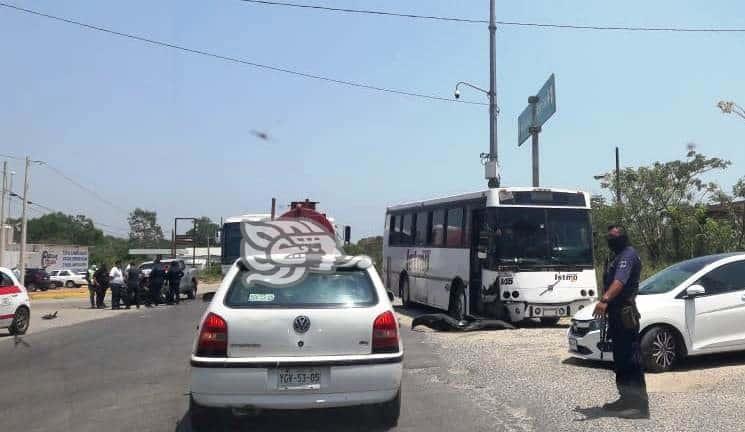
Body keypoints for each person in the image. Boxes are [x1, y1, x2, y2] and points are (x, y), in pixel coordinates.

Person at [593, 225, 649, 419]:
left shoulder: (628, 255)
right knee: (621, 358)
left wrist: (605, 300)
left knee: (631, 358)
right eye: (608, 236)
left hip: (625, 313)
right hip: (616, 314)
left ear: (624, 237)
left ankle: (639, 406)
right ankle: (626, 398)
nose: (610, 239)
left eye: (614, 236)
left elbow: (619, 282)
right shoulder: (616, 256)